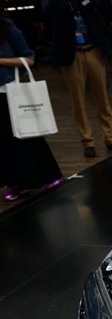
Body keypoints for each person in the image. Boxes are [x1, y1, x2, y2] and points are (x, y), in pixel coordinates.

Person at [38, 0, 112, 157]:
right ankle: (87, 141)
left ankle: (110, 136)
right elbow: (47, 13)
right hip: (71, 53)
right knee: (78, 101)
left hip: (93, 49)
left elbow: (106, 11)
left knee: (102, 97)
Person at [0, 15, 64, 201]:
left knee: (26, 136)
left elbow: (29, 59)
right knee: (3, 143)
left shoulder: (7, 27)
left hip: (9, 91)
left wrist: (1, 61)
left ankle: (50, 176)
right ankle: (15, 183)